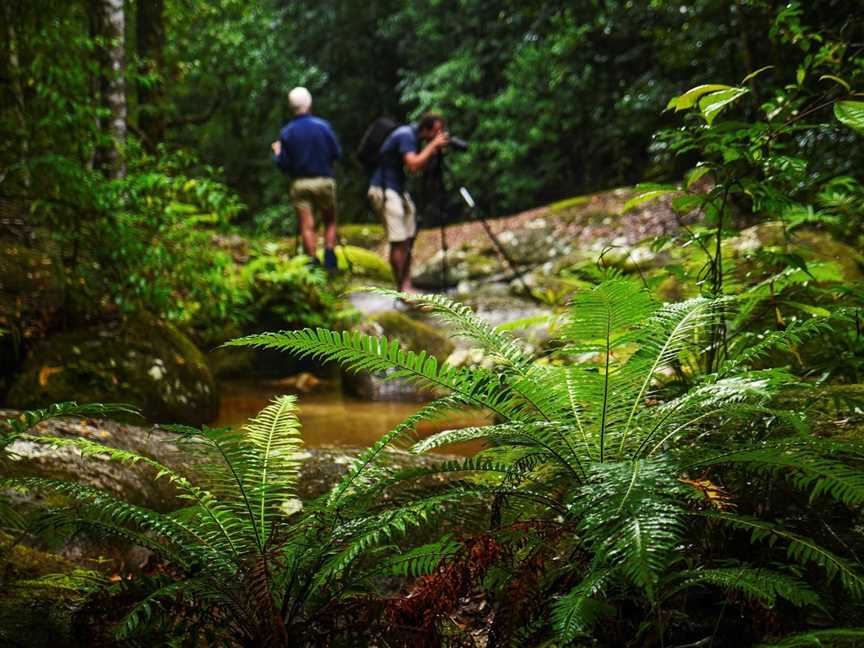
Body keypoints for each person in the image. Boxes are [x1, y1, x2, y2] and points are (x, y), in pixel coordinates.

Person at [367, 113, 450, 292]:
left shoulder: (415, 138)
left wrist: (433, 152)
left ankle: (405, 285)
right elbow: (413, 164)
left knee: (408, 239)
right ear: (426, 129)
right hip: (384, 189)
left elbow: (416, 168)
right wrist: (433, 146)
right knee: (398, 241)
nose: (439, 135)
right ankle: (404, 289)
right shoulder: (406, 135)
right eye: (437, 131)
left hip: (397, 190)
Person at [272, 87, 342, 269]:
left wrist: (277, 153)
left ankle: (311, 261)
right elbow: (337, 153)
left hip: (300, 183)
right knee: (330, 220)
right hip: (323, 180)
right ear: (309, 103)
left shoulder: (287, 132)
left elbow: (283, 165)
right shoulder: (323, 127)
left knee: (306, 225)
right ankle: (329, 253)